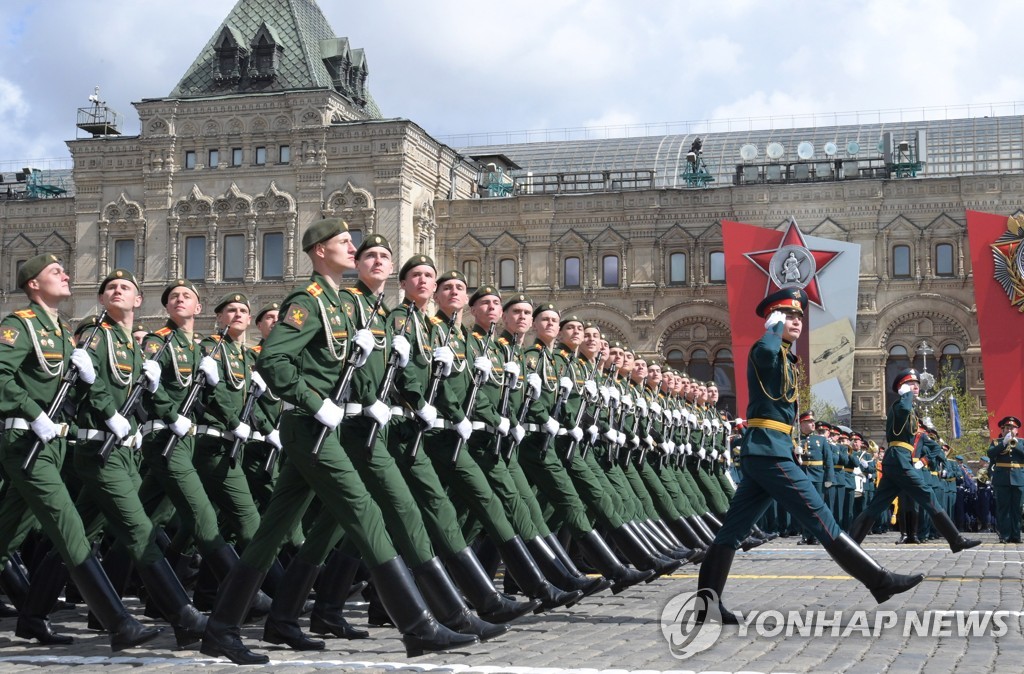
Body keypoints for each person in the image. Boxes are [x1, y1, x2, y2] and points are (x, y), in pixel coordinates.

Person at [200, 219, 477, 664]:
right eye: (344, 242)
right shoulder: (308, 303)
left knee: (270, 533)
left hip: (323, 427)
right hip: (311, 427)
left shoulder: (341, 305)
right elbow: (274, 360)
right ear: (318, 250)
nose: (353, 247)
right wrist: (314, 402)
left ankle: (228, 627)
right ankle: (417, 626)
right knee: (365, 512)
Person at [697, 288, 923, 623]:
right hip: (770, 453)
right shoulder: (765, 347)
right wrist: (772, 330)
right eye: (788, 316)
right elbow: (765, 363)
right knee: (822, 520)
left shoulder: (786, 355)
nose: (797, 321)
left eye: (800, 316)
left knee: (732, 531)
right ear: (773, 319)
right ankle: (880, 580)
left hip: (768, 450)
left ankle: (706, 607)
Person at [0, 255, 161, 650]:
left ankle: (32, 620)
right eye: (55, 272)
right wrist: (33, 412)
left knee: (6, 534)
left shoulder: (62, 331)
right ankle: (118, 623)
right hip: (26, 441)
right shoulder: (19, 325)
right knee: (70, 527)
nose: (66, 275)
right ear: (33, 284)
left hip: (51, 446)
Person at [70, 269, 208, 647]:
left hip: (122, 449)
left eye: (126, 287)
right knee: (139, 531)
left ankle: (102, 618)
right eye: (110, 287)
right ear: (101, 300)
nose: (117, 290)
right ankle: (183, 616)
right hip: (97, 446)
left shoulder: (130, 344)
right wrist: (107, 410)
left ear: (138, 301)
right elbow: (95, 382)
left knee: (79, 534)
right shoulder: (97, 335)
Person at [849, 370, 981, 553]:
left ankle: (850, 545)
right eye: (911, 384)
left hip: (897, 459)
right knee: (927, 495)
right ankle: (955, 539)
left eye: (917, 384)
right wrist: (907, 394)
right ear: (902, 388)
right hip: (899, 458)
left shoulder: (909, 409)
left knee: (877, 504)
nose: (916, 387)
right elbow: (903, 410)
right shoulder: (899, 406)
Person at [987, 416, 1024, 543]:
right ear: (1003, 430)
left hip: (1019, 478)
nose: (1010, 430)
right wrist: (1004, 443)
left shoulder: (1022, 442)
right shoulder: (997, 442)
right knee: (1003, 508)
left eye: (1012, 428)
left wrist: (1014, 443)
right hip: (1002, 479)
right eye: (1007, 428)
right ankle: (1005, 535)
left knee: (1017, 508)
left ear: (1017, 431)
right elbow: (990, 454)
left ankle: (1016, 535)